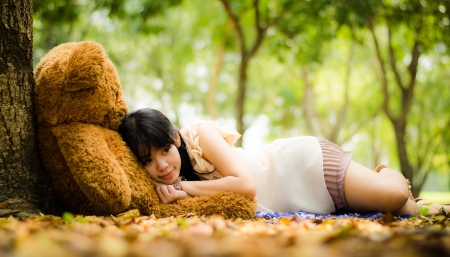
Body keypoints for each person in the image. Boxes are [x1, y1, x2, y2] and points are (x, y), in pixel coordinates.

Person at [118, 108, 426, 216]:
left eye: (163, 150)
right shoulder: (159, 185)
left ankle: (386, 172)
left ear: (174, 138)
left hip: (303, 168)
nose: (161, 165)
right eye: (148, 160)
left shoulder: (200, 136)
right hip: (302, 196)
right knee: (409, 212)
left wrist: (185, 189)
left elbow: (246, 186)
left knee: (396, 197)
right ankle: (426, 205)